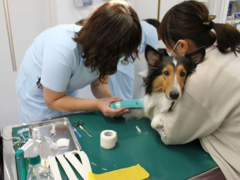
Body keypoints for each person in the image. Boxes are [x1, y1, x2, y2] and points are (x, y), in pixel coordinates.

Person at [16, 0, 142, 123]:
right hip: (38, 100)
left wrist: (111, 101)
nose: (120, 57)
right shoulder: (62, 49)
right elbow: (53, 100)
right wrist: (98, 104)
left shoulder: (107, 53)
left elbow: (100, 85)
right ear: (105, 43)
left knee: (69, 128)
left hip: (64, 93)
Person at [153, 1, 240, 179]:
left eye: (168, 45)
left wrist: (155, 113)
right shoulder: (228, 53)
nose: (168, 51)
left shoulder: (198, 79)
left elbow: (171, 134)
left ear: (183, 46)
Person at [108, 19, 160, 100]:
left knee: (111, 98)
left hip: (110, 66)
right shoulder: (151, 29)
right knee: (125, 101)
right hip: (125, 68)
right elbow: (155, 58)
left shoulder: (131, 24)